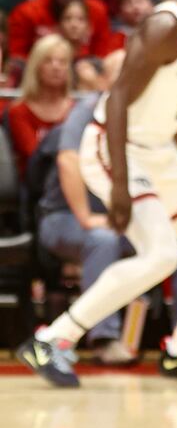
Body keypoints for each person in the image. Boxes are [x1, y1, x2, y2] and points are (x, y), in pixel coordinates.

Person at [14, 0, 177, 387]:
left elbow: (176, 113)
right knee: (162, 254)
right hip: (114, 146)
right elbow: (117, 98)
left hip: (160, 153)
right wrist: (119, 185)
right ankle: (53, 340)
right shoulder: (165, 26)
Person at [31, 97, 140, 364]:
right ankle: (103, 340)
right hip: (63, 218)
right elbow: (62, 165)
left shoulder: (140, 127)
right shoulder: (82, 118)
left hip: (119, 221)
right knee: (103, 241)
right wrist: (87, 217)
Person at [6, 34, 75, 168]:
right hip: (36, 183)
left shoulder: (76, 110)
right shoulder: (19, 111)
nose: (56, 67)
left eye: (63, 61)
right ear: (36, 67)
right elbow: (36, 159)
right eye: (48, 61)